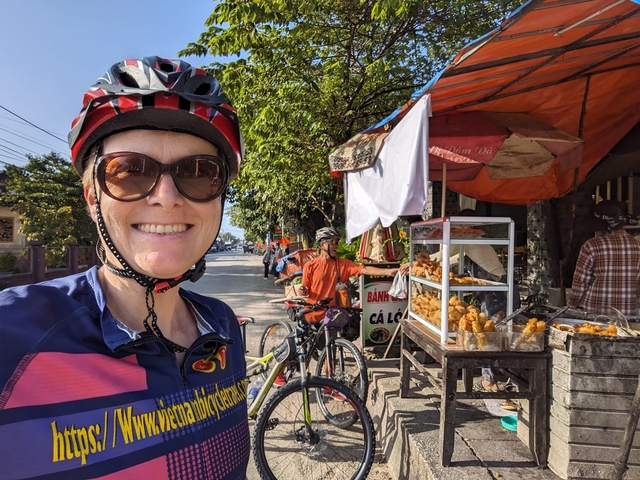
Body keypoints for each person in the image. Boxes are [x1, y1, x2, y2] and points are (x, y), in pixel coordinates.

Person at [0, 57, 249, 479]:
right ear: (92, 195)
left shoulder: (223, 328)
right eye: (130, 171)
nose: (167, 197)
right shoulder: (14, 336)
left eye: (199, 172)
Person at [299, 227, 398, 323]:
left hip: (335, 315)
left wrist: (388, 272)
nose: (337, 246)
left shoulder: (344, 264)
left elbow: (364, 269)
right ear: (322, 244)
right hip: (313, 314)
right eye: (334, 242)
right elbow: (305, 288)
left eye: (338, 242)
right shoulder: (310, 266)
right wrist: (302, 290)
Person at [568, 200, 640, 316]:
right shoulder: (637, 246)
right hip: (626, 315)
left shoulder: (591, 245)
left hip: (594, 314)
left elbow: (580, 283)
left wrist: (571, 306)